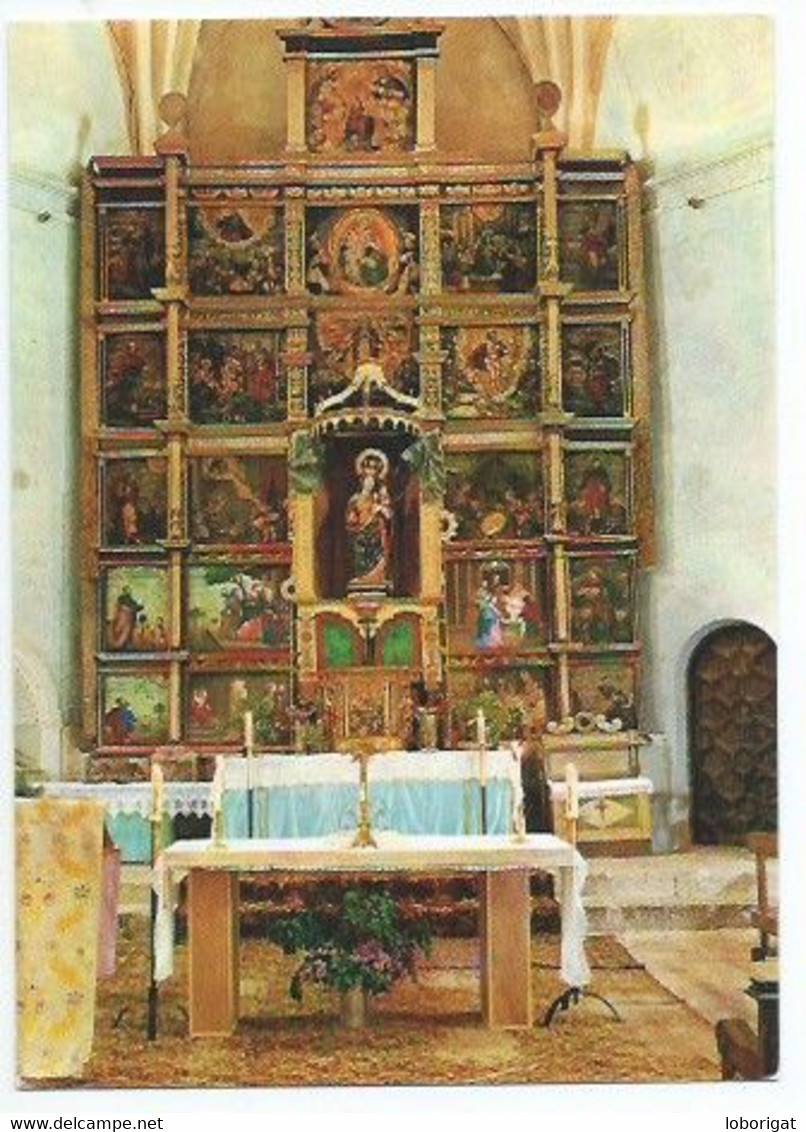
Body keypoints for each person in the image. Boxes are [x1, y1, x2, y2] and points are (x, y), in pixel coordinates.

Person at [346, 448, 393, 594]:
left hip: (377, 534)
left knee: (377, 556)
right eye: (368, 469)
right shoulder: (355, 498)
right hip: (360, 535)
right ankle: (363, 578)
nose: (370, 474)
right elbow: (350, 518)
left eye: (374, 469)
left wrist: (380, 509)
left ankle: (377, 579)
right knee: (361, 557)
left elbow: (389, 514)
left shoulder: (381, 496)